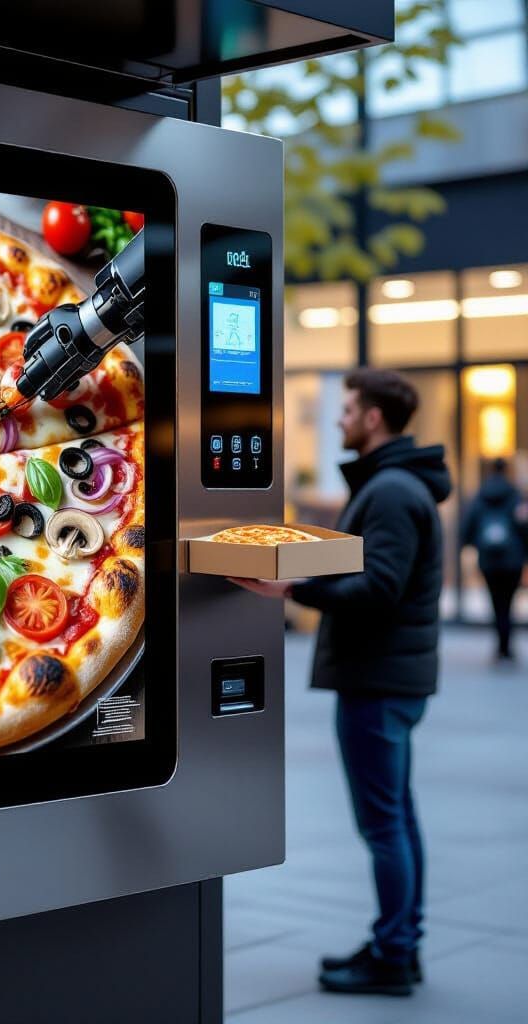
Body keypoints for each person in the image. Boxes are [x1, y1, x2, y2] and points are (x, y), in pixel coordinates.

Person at [231, 368, 451, 998]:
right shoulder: (397, 488)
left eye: (349, 408)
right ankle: (397, 944)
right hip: (389, 678)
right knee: (396, 818)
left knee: (384, 823)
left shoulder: (391, 492)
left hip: (379, 681)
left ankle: (394, 954)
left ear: (375, 418)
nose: (340, 418)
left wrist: (291, 585)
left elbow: (379, 588)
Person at [460, 458, 527, 662]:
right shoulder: (516, 497)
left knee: (496, 602)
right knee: (508, 602)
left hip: (489, 560)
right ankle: (506, 647)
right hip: (513, 560)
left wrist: (475, 545)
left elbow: (467, 528)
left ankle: (500, 646)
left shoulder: (480, 496)